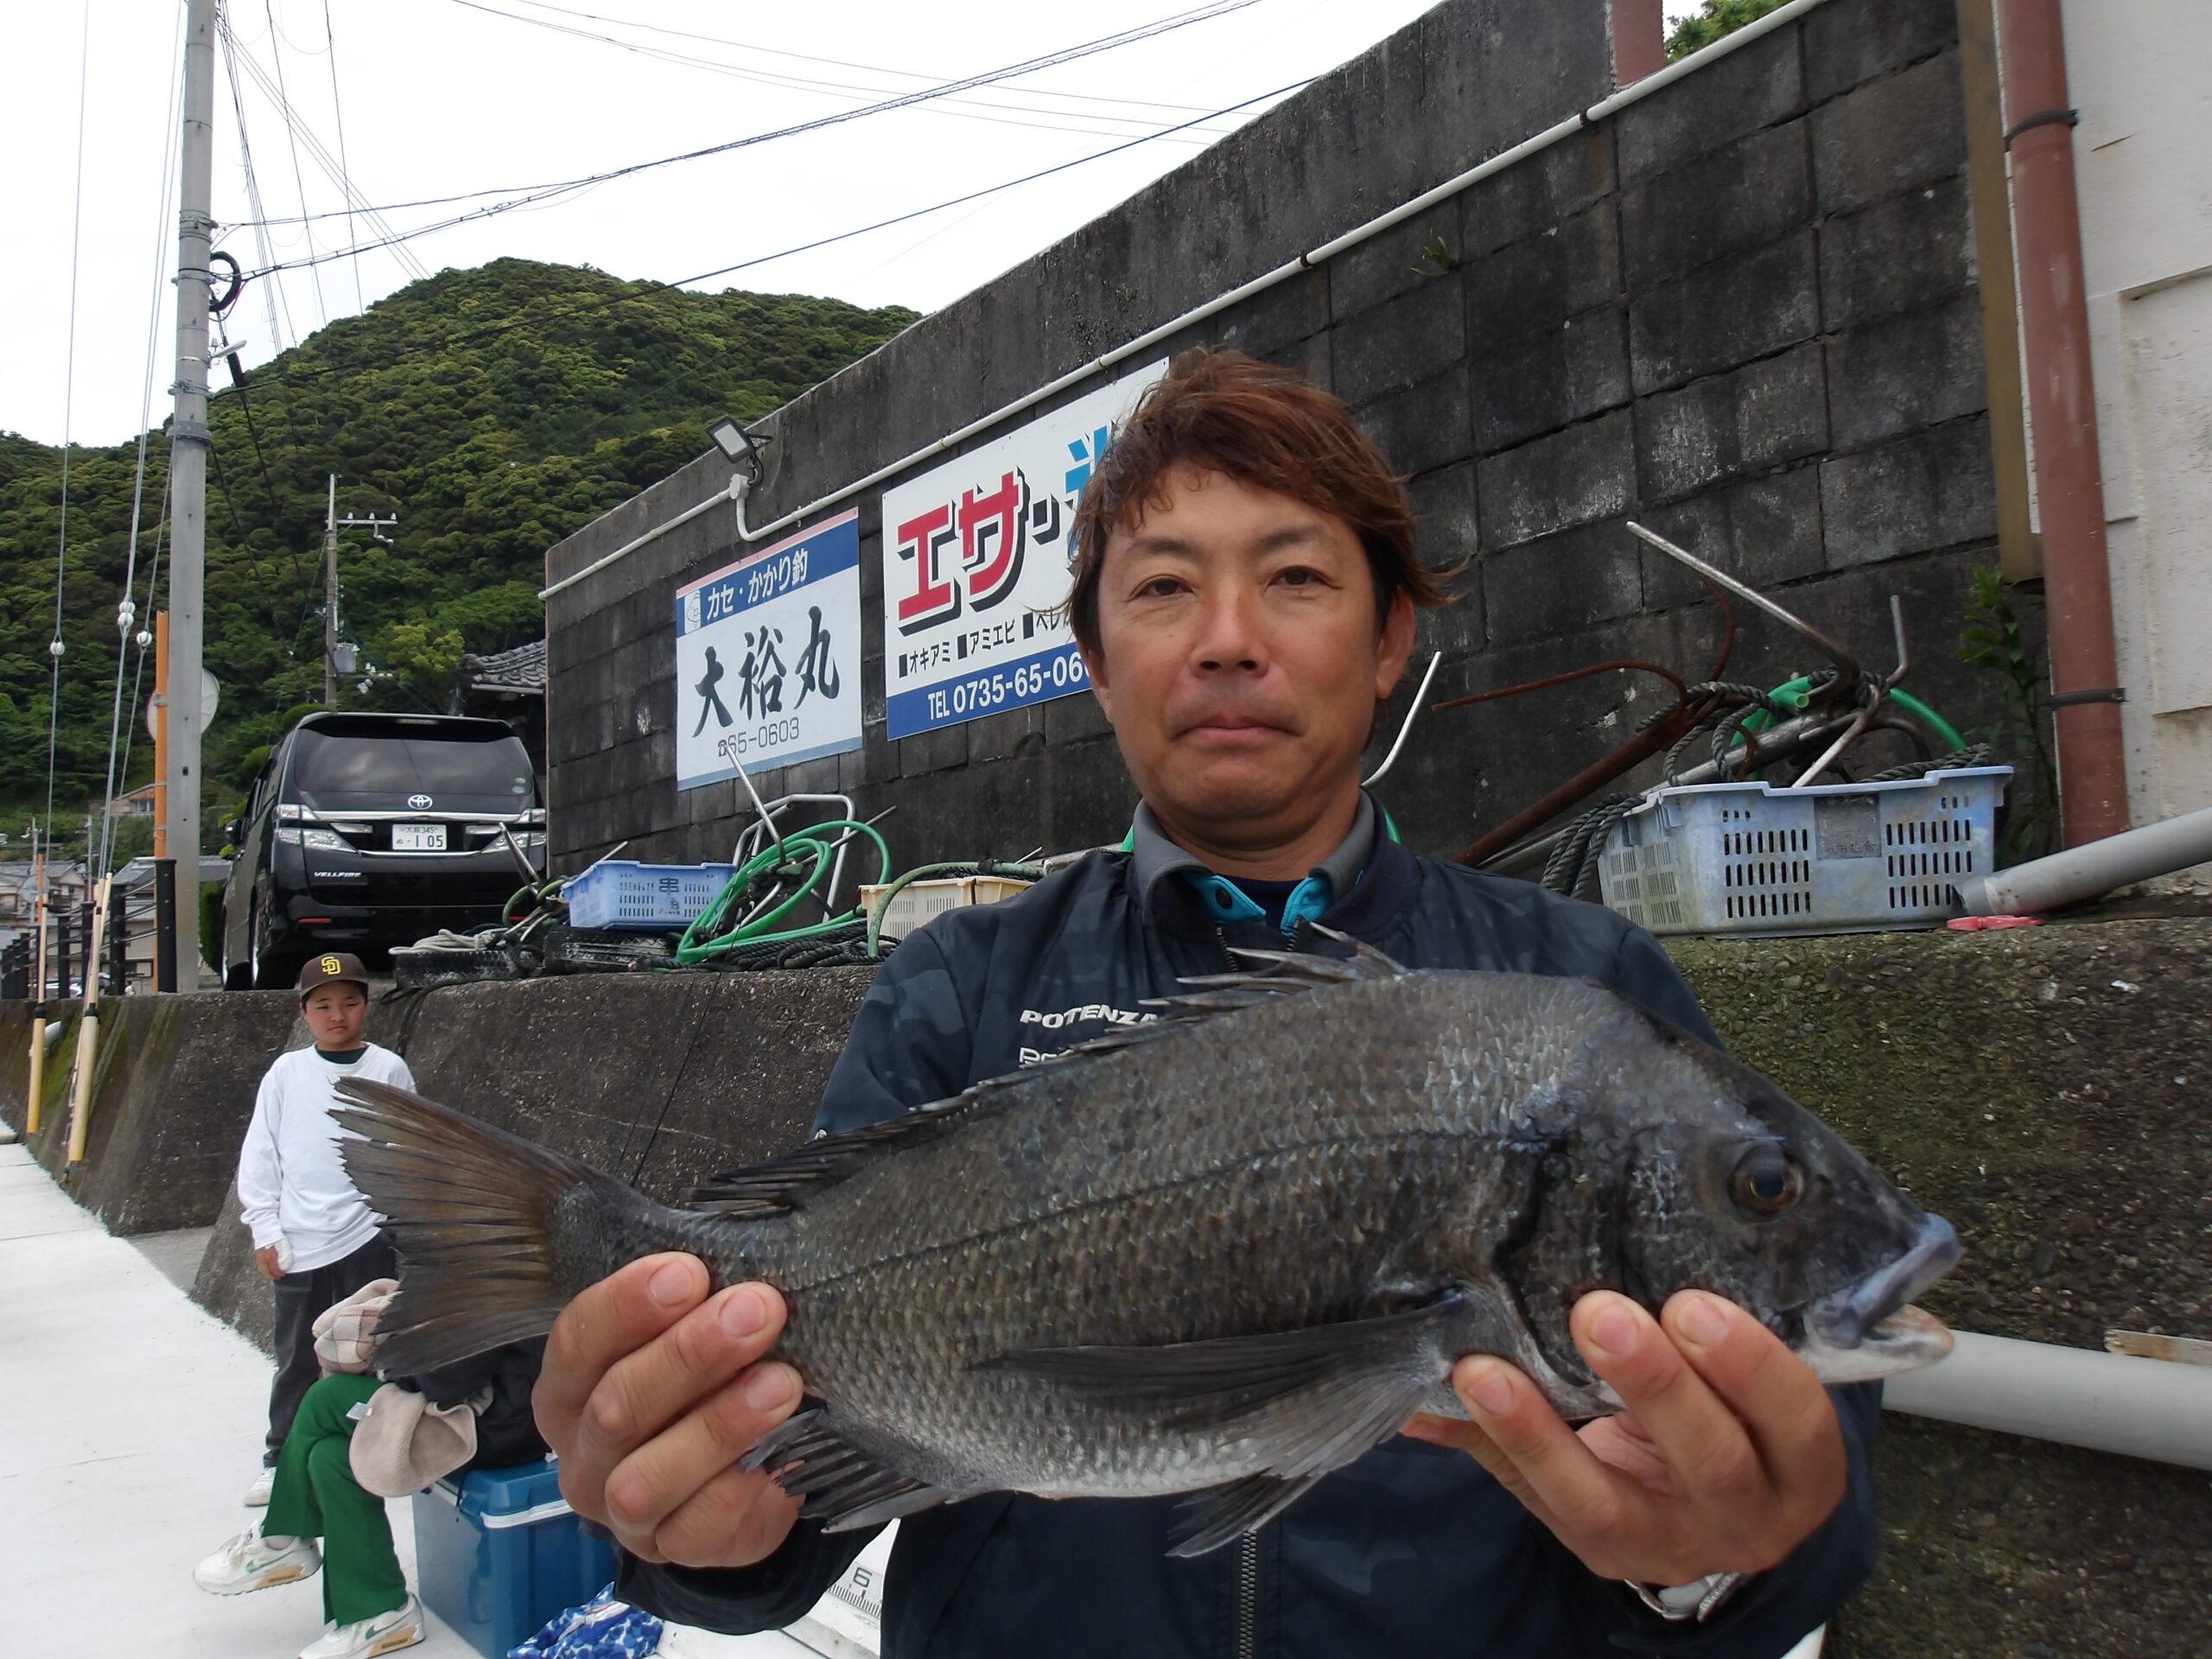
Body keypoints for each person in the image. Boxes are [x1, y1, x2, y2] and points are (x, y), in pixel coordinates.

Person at [532, 352, 1879, 1655]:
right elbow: (789, 1515)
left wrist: (1715, 1558)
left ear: (1392, 636)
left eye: (1295, 577)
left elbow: (1789, 1528)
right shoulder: (959, 985)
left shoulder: (1584, 993)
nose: (1230, 641)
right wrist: (703, 1527)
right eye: (1166, 587)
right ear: (1099, 662)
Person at [194, 1322, 550, 1659]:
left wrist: (381, 1360)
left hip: (488, 1429)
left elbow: (448, 1379)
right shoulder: (471, 1263)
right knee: (330, 1457)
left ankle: (283, 1539)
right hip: (476, 1410)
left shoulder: (491, 1266)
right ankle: (380, 1612)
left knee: (326, 1396)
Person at [237, 952, 414, 1507]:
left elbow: (407, 1148)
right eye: (324, 1005)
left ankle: (373, 1451)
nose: (338, 1015)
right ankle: (280, 1455)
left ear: (365, 1006)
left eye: (350, 1002)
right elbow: (261, 1153)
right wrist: (265, 1228)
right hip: (299, 1240)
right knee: (296, 1354)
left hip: (368, 1234)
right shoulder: (287, 1073)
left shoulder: (389, 1069)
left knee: (372, 1347)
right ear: (305, 1012)